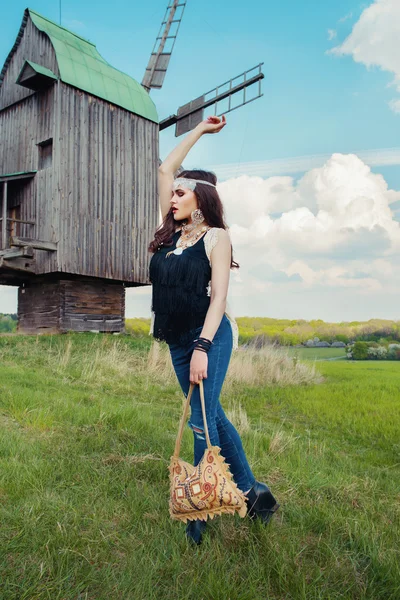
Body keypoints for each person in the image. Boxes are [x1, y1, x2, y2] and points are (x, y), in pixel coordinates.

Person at [148, 115, 279, 545]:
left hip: (211, 335)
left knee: (202, 423)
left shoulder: (215, 238)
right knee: (213, 414)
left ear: (199, 199)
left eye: (181, 193)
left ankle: (197, 512)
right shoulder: (167, 235)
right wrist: (200, 131)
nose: (172, 197)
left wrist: (204, 346)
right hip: (176, 340)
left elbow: (218, 298)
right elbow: (166, 170)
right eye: (172, 193)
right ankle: (253, 493)